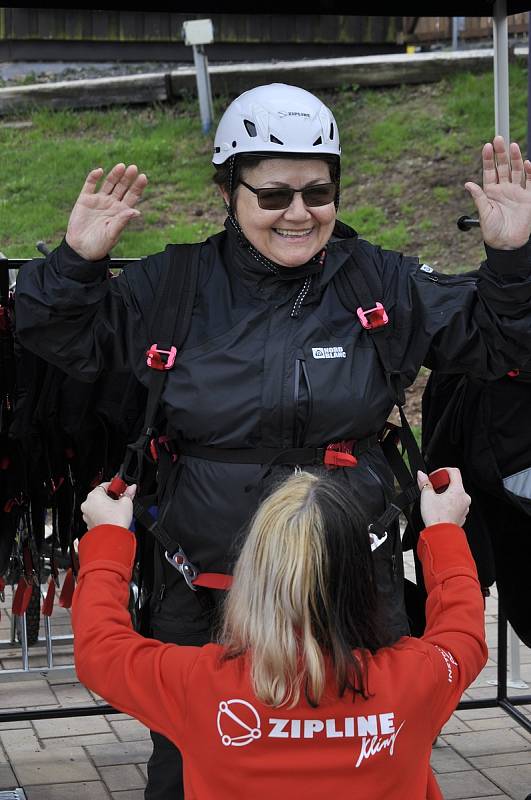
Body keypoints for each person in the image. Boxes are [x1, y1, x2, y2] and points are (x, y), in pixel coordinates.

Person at [14, 82, 531, 799]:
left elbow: (504, 343)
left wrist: (510, 261)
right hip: (204, 582)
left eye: (318, 194)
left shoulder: (376, 280)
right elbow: (52, 335)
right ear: (226, 191)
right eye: (273, 196)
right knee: (190, 763)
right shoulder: (175, 284)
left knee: (365, 757)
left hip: (346, 580)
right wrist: (76, 262)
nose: (299, 214)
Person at [72, 467, 486, 800]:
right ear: (361, 580)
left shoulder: (198, 686)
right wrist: (444, 528)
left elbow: (101, 650)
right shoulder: (417, 679)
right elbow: (462, 634)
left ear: (251, 575)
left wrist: (108, 537)